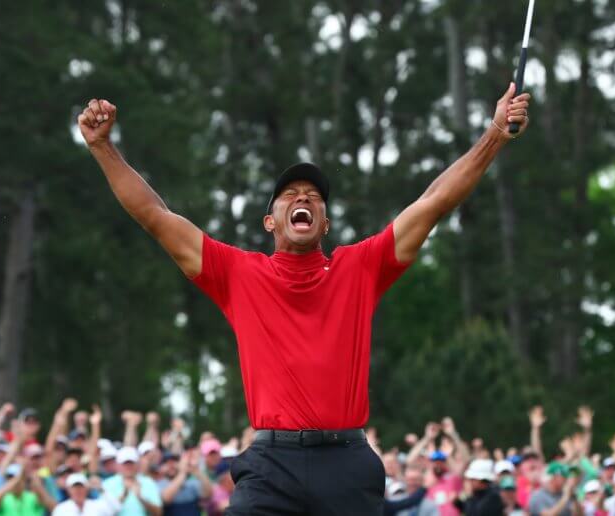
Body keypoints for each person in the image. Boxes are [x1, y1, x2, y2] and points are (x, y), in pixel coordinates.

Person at [78, 80, 530, 515]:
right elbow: (156, 215)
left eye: (314, 197)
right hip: (271, 464)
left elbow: (433, 202)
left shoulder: (360, 267)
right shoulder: (238, 272)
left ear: (325, 224)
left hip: (346, 462)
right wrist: (102, 147)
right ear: (270, 221)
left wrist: (494, 135)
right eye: (291, 196)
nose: (304, 200)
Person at [102, 447, 161, 516]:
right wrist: (123, 496)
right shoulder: (107, 484)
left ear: (137, 464)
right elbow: (103, 513)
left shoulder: (148, 482)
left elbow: (158, 513)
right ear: (118, 465)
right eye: (125, 463)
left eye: (131, 463)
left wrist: (141, 498)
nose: (128, 466)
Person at [160, 450, 212, 516]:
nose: (171, 465)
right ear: (161, 467)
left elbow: (208, 494)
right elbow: (166, 499)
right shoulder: (159, 483)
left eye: (174, 461)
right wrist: (183, 472)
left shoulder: (191, 482)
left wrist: (197, 471)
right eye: (166, 462)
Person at [52, 473, 121, 516]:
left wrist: (101, 489)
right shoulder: (61, 509)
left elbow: (116, 508)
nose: (78, 491)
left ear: (87, 489)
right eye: (74, 488)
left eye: (80, 487)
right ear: (68, 490)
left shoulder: (97, 506)